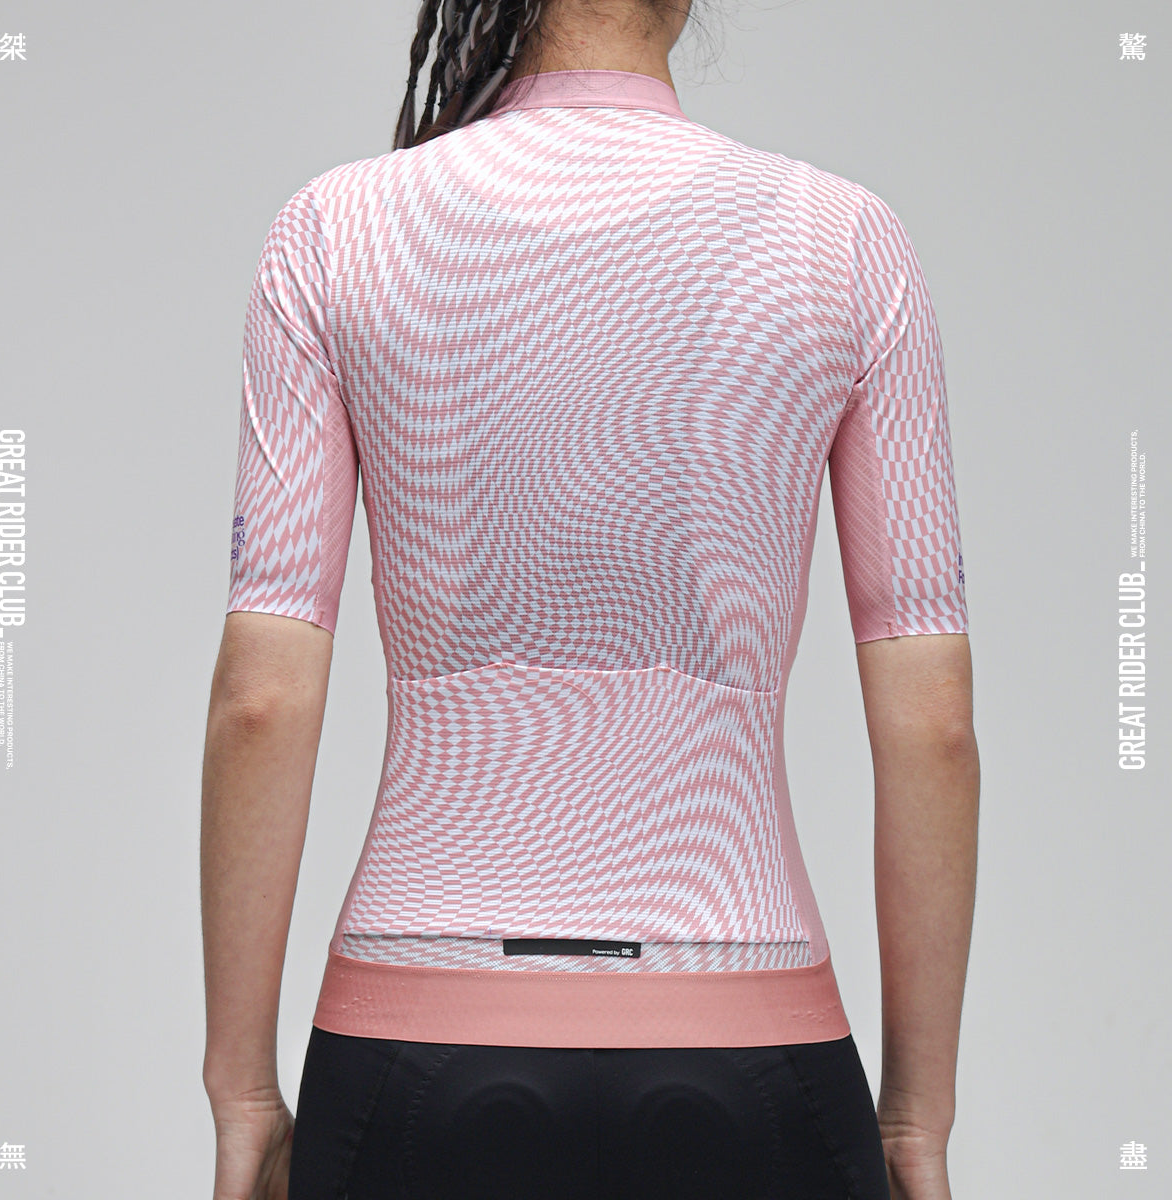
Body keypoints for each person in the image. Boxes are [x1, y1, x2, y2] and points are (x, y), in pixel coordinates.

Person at [201, 1, 980, 1197]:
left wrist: (242, 1091)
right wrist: (917, 1116)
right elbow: (933, 725)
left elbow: (262, 699)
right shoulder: (845, 241)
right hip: (749, 1032)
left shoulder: (334, 231)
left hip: (415, 1041)